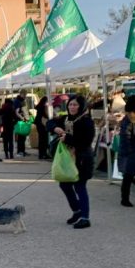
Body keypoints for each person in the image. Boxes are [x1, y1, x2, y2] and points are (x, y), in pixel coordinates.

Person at [50, 94, 95, 229]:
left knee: (80, 187)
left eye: (75, 105)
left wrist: (68, 139)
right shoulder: (65, 118)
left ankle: (85, 218)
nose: (72, 107)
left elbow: (86, 142)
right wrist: (54, 128)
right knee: (64, 185)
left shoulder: (87, 121)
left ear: (81, 106)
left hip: (82, 158)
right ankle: (77, 211)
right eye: (70, 104)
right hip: (68, 159)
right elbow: (50, 122)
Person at [33, 96, 52, 160]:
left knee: (41, 139)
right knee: (44, 139)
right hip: (43, 123)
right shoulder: (44, 106)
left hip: (38, 123)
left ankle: (41, 154)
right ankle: (44, 154)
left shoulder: (39, 106)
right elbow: (47, 115)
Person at [14, 91, 29, 157]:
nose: (25, 96)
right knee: (21, 137)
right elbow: (17, 112)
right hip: (20, 121)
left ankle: (22, 151)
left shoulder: (22, 100)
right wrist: (23, 119)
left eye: (26, 94)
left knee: (23, 136)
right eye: (24, 94)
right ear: (21, 94)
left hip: (23, 120)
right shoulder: (17, 101)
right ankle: (20, 151)